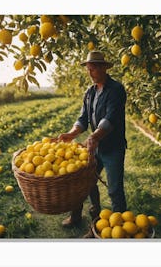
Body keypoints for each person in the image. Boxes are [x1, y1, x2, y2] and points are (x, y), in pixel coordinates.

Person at [58, 51, 127, 237]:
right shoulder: (90, 92)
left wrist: (95, 137)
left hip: (112, 148)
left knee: (114, 189)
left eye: (94, 68)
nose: (90, 72)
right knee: (84, 183)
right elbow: (83, 118)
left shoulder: (116, 89)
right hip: (95, 146)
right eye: (88, 69)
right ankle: (88, 217)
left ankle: (119, 228)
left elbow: (110, 118)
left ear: (104, 67)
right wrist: (72, 134)